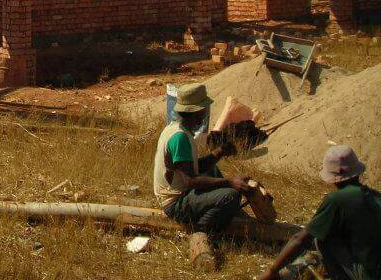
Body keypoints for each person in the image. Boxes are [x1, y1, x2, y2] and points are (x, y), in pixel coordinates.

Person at [153, 83, 252, 263]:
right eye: (204, 109)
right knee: (230, 196)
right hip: (175, 203)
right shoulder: (180, 137)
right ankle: (202, 231)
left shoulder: (175, 129)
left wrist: (219, 152)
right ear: (197, 111)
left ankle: (221, 214)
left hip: (180, 194)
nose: (206, 112)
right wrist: (230, 182)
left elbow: (191, 167)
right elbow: (191, 181)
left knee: (212, 170)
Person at [259, 145, 381, 280]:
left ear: (332, 177)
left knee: (323, 238)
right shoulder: (375, 196)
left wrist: (272, 271)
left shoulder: (337, 200)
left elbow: (300, 239)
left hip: (370, 275)